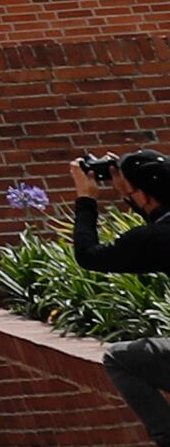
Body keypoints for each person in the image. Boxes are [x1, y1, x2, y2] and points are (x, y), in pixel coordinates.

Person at [69, 150, 170, 443]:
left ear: (144, 196)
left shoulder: (154, 239)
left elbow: (89, 255)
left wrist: (86, 199)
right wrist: (133, 193)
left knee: (119, 358)